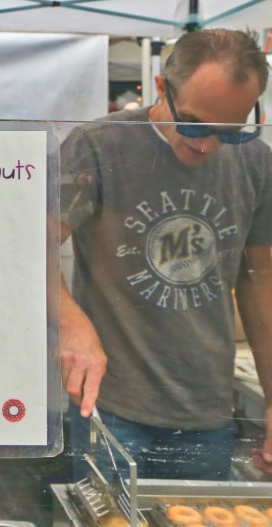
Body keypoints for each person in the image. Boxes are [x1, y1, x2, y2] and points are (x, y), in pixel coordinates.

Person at [59, 29, 272, 479]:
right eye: (194, 123)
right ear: (161, 88)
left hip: (209, 412)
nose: (206, 145)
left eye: (230, 132)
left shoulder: (257, 162)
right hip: (114, 406)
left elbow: (259, 280)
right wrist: (72, 324)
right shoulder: (100, 145)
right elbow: (29, 246)